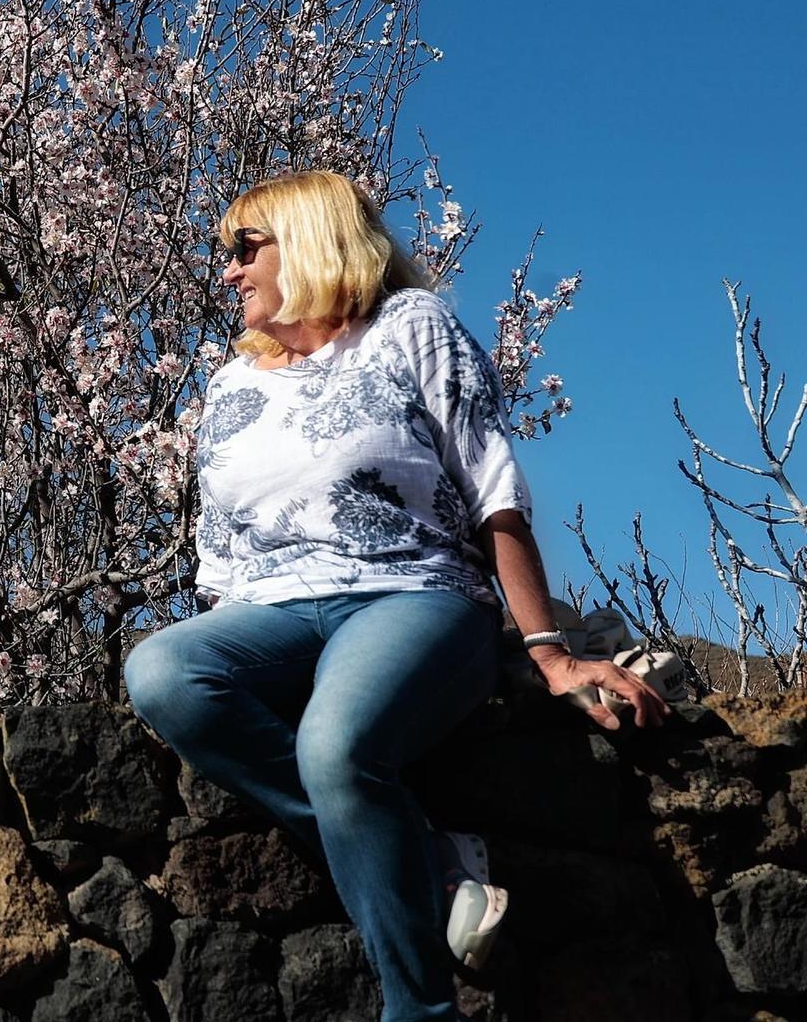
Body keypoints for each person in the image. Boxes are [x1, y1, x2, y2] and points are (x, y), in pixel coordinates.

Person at [124, 170, 666, 1022]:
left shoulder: (412, 326)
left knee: (335, 748)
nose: (225, 270)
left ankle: (419, 1010)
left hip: (414, 595)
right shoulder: (230, 387)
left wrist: (548, 650)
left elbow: (493, 489)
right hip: (271, 611)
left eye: (242, 248)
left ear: (308, 240)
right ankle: (431, 856)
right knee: (160, 670)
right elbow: (219, 553)